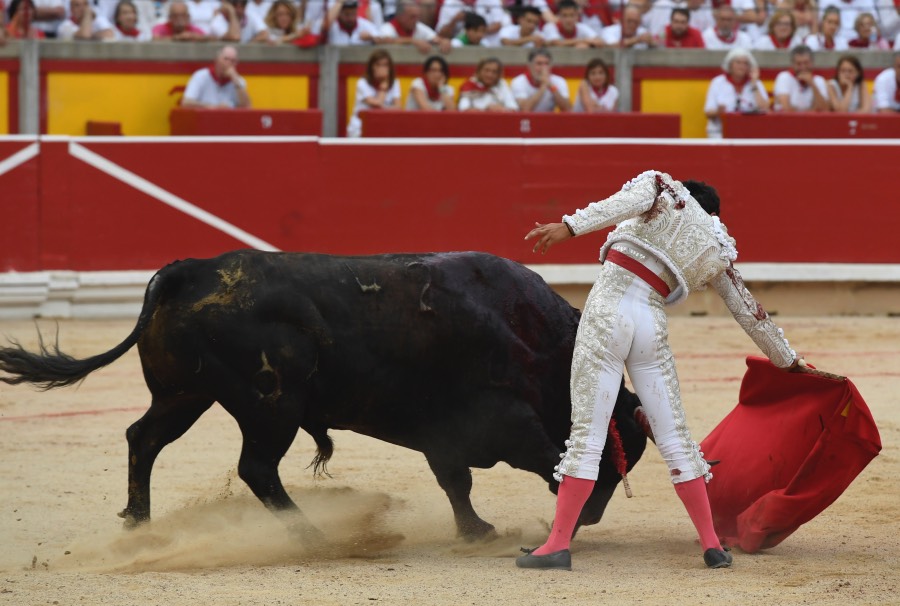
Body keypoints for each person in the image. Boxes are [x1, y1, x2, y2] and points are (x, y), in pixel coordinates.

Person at [517, 170, 804, 572]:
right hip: (650, 322)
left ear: (687, 193)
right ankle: (711, 547)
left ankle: (557, 546)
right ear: (714, 215)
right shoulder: (715, 244)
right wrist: (787, 360)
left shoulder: (662, 188)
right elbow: (749, 312)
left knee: (588, 433)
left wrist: (569, 227)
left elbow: (622, 203)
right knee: (675, 438)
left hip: (609, 309)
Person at [703, 47, 769, 138]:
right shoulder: (717, 82)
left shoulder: (756, 83)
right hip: (720, 131)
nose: (742, 66)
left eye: (745, 63)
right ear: (730, 65)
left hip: (749, 131)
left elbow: (765, 109)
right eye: (738, 62)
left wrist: (754, 84)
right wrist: (719, 112)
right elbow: (708, 112)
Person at [347, 49, 401, 137]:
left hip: (384, 126)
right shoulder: (362, 83)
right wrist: (383, 88)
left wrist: (383, 109)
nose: (382, 68)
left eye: (385, 65)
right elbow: (377, 105)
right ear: (372, 66)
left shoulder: (395, 82)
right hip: (360, 128)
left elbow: (398, 108)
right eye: (378, 64)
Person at [182, 45, 251, 109]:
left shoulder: (239, 81)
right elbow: (186, 103)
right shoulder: (201, 76)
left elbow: (246, 107)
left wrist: (235, 80)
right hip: (204, 119)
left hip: (228, 120)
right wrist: (213, 107)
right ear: (217, 60)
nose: (229, 63)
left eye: (233, 61)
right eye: (226, 59)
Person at [510, 48, 572, 113]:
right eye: (539, 64)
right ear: (529, 66)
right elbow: (524, 109)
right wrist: (543, 86)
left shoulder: (559, 81)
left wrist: (551, 86)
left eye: (546, 64)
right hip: (526, 121)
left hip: (549, 120)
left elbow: (568, 109)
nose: (543, 68)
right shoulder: (519, 82)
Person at [379, 0, 451, 53]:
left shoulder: (419, 27)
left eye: (417, 17)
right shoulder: (387, 28)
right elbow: (386, 40)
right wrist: (413, 41)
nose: (415, 20)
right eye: (412, 17)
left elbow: (435, 38)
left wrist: (443, 41)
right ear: (400, 16)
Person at [772, 45, 829, 112]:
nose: (803, 67)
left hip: (812, 122)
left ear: (812, 62)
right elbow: (785, 109)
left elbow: (824, 109)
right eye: (799, 64)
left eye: (806, 63)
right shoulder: (784, 77)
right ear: (792, 64)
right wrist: (811, 110)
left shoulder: (819, 80)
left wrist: (812, 84)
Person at [433, 0, 506, 46]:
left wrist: (478, 31)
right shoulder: (450, 3)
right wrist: (454, 20)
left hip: (489, 42)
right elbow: (441, 34)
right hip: (459, 40)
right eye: (475, 30)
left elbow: (498, 25)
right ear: (467, 30)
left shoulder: (485, 43)